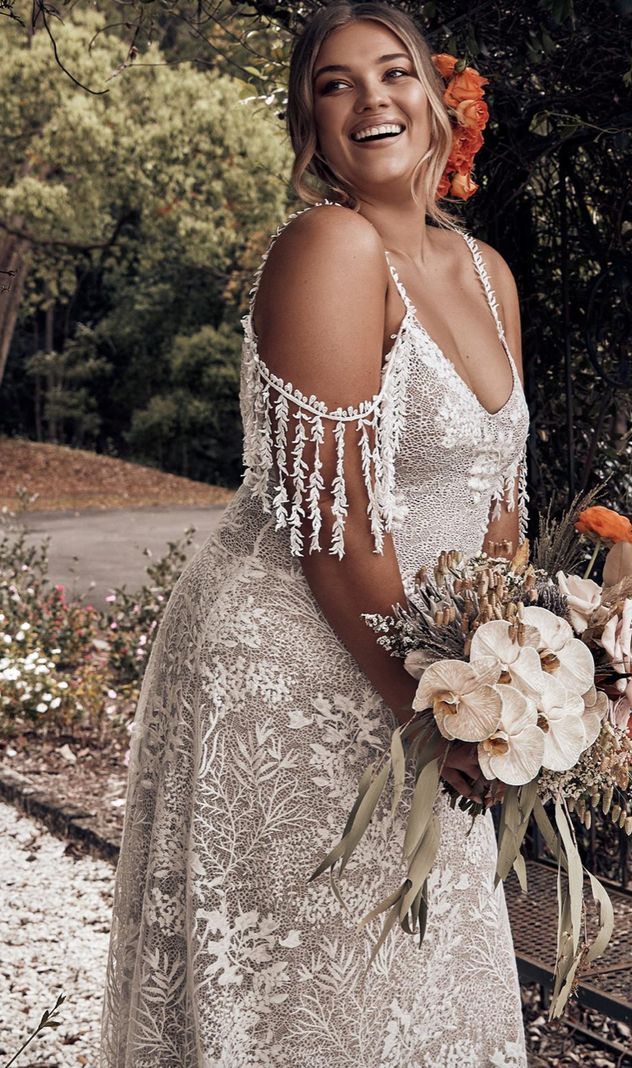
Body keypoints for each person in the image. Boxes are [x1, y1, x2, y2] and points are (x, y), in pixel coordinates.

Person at [100, 2, 530, 1064]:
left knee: (423, 982)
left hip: (424, 673)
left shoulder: (487, 273)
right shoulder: (328, 248)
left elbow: (500, 510)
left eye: (393, 74)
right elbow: (334, 535)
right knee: (314, 996)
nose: (371, 99)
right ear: (312, 133)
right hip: (294, 668)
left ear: (439, 105)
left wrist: (523, 678)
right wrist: (443, 721)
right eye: (335, 85)